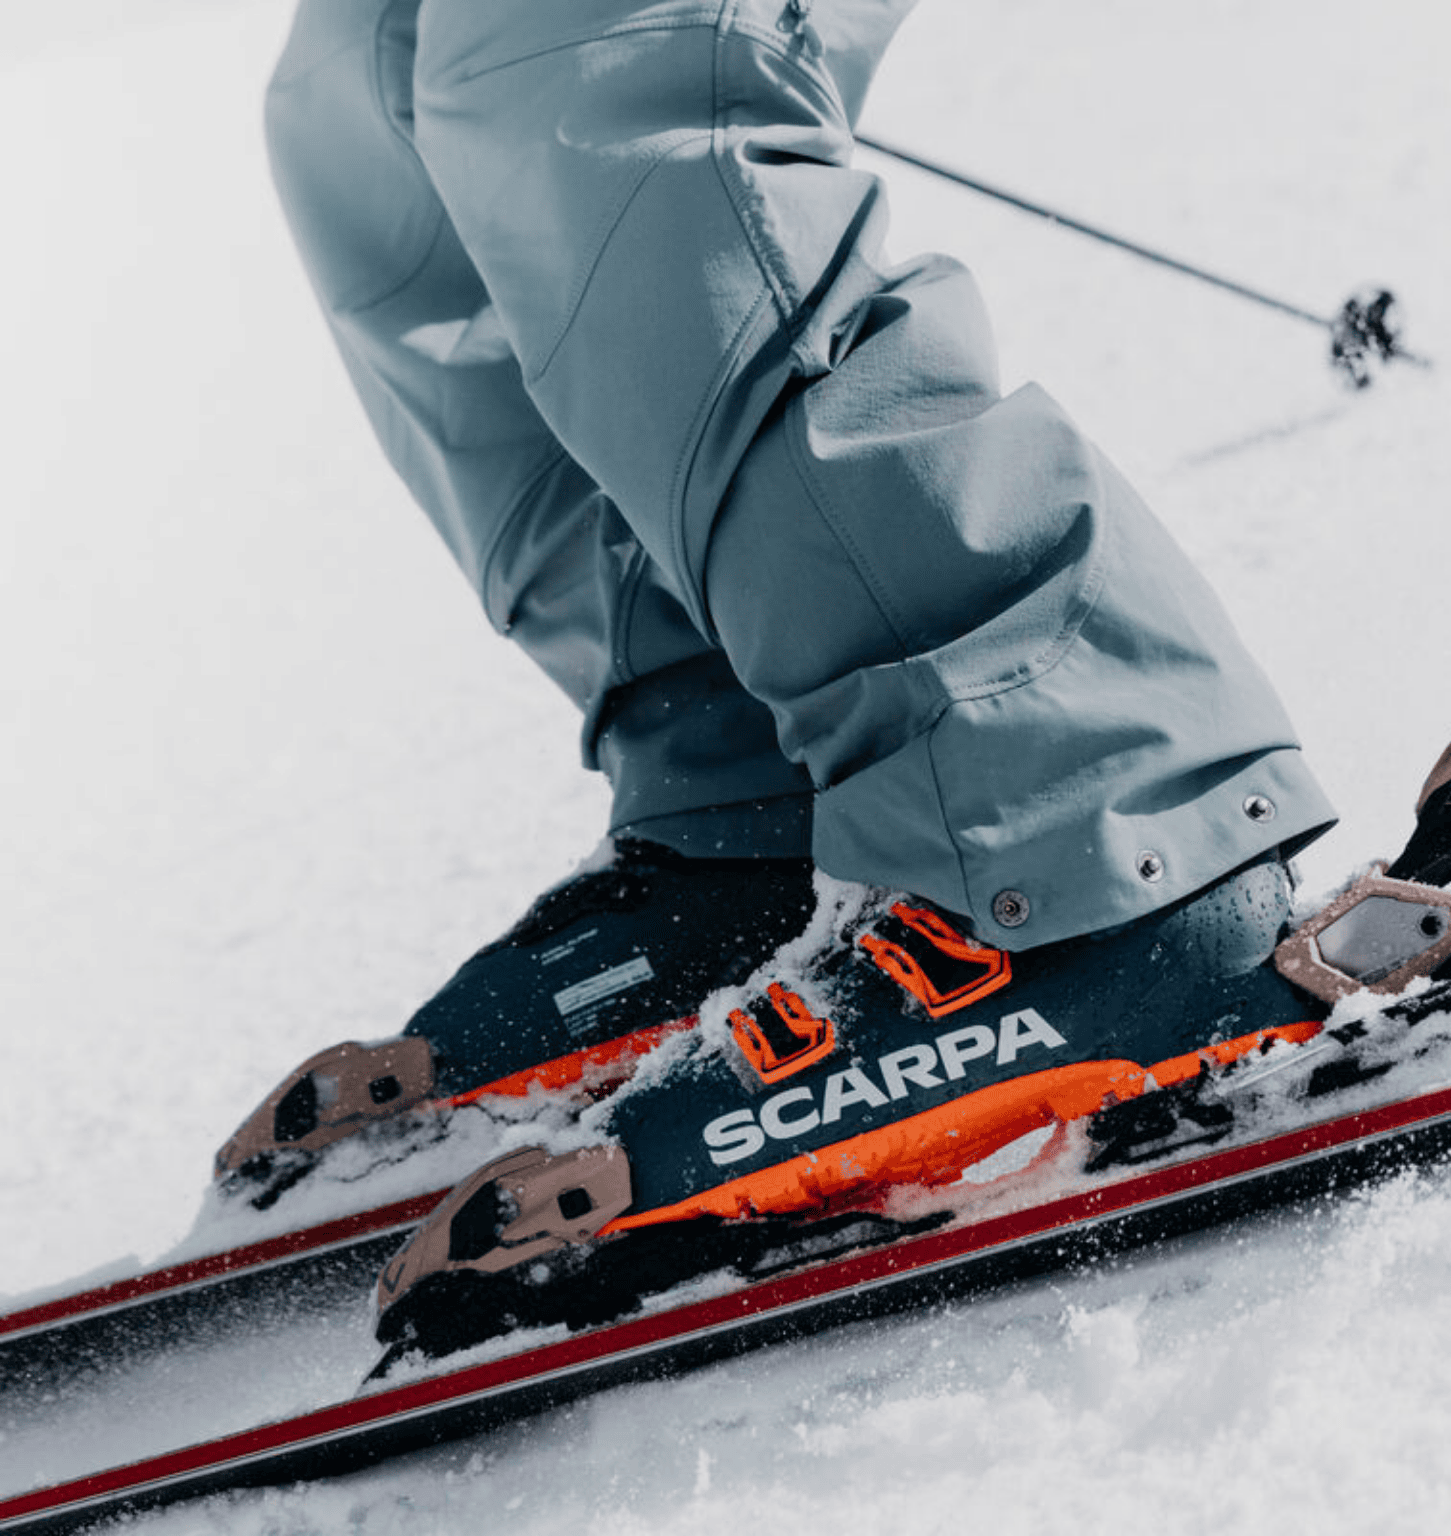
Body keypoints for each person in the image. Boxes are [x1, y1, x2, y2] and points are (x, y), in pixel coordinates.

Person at [225, 0, 1335, 1222]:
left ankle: (1070, 841)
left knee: (583, 55)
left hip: (1082, 855)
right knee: (367, 110)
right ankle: (753, 801)